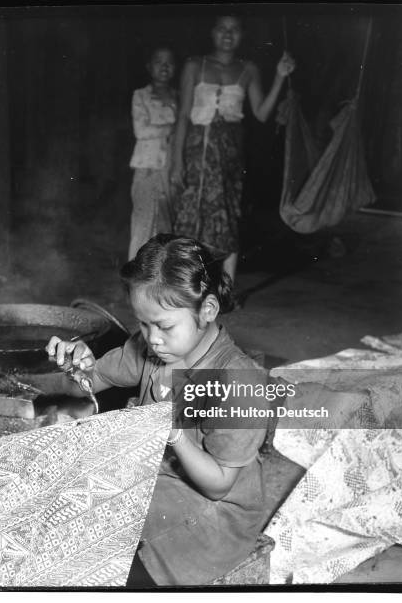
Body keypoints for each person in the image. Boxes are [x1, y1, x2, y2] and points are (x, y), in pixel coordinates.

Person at [46, 234, 269, 586]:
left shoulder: (235, 381)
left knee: (118, 568)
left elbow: (219, 486)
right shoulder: (150, 347)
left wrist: (173, 432)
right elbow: (92, 379)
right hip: (158, 479)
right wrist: (78, 366)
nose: (152, 338)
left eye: (164, 326)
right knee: (64, 516)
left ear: (207, 310)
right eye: (143, 323)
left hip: (213, 513)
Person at [170, 15, 296, 295]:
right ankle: (187, 289)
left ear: (242, 36)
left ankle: (226, 291)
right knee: (191, 215)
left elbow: (262, 113)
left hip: (228, 154)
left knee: (226, 215)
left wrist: (279, 76)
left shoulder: (248, 69)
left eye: (235, 29)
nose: (228, 34)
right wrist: (176, 160)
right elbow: (182, 116)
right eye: (222, 28)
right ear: (212, 33)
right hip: (195, 152)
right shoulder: (194, 65)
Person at [128, 47, 177, 260]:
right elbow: (141, 130)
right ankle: (132, 285)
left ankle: (162, 288)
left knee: (167, 231)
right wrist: (173, 127)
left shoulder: (180, 96)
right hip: (147, 169)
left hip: (172, 171)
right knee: (142, 228)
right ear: (149, 67)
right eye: (159, 61)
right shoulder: (140, 95)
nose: (164, 66)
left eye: (169, 62)